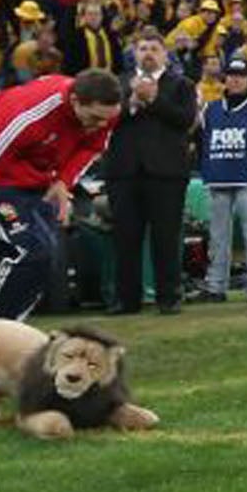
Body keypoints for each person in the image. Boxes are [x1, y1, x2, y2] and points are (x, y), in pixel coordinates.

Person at [0, 69, 123, 326]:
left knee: (46, 259)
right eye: (95, 118)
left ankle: (1, 329)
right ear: (75, 101)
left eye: (107, 120)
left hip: (36, 177)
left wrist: (64, 180)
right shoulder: (28, 114)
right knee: (30, 252)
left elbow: (93, 146)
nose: (101, 125)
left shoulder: (104, 113)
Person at [98, 25, 198, 315]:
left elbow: (185, 119)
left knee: (166, 238)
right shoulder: (118, 84)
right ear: (134, 54)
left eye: (154, 49)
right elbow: (103, 122)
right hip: (124, 172)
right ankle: (126, 299)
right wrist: (130, 103)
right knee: (125, 238)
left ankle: (169, 297)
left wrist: (153, 100)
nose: (148, 55)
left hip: (166, 173)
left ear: (164, 54)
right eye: (143, 49)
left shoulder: (181, 85)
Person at [191, 56, 247, 303]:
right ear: (225, 79)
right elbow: (201, 142)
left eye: (241, 76)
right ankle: (215, 286)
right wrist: (208, 166)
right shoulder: (211, 109)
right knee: (218, 236)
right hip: (218, 177)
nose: (235, 79)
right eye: (231, 75)